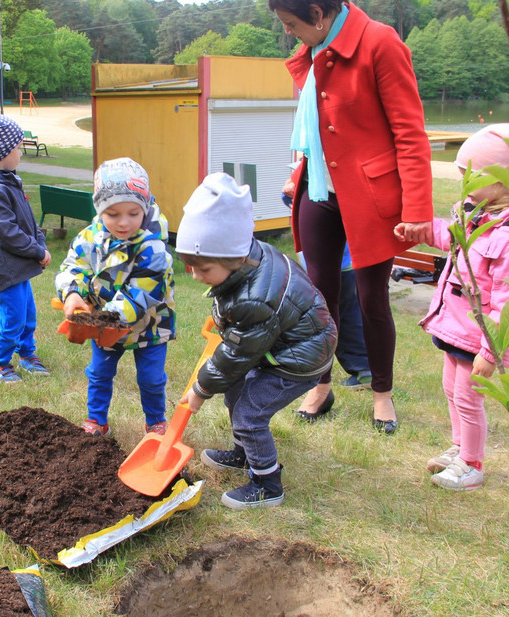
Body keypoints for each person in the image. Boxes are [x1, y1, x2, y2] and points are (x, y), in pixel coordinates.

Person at [271, 0, 434, 434]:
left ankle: (382, 394)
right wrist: (299, 173)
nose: (289, 33)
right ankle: (321, 386)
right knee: (318, 303)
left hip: (368, 195)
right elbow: (319, 128)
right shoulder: (314, 50)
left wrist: (417, 208)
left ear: (317, 13)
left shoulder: (380, 42)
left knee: (370, 300)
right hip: (317, 190)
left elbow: (410, 132)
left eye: (291, 23)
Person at [396, 124, 509, 491]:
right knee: (452, 390)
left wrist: (492, 351)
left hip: (478, 339)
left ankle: (472, 464)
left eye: (471, 174)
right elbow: (453, 239)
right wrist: (423, 231)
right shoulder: (475, 215)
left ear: (502, 181)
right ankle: (459, 447)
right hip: (457, 326)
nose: (463, 180)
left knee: (468, 397)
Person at [178, 173, 337, 509]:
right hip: (279, 343)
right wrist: (226, 322)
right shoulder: (252, 256)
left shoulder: (254, 300)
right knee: (236, 391)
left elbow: (237, 354)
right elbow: (242, 334)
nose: (195, 275)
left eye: (203, 268)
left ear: (234, 259)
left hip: (299, 360)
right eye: (190, 266)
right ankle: (244, 453)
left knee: (250, 413)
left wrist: (201, 388)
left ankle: (267, 483)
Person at [56, 157, 175, 437]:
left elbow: (139, 295)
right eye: (113, 214)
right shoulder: (90, 237)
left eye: (133, 213)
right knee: (99, 373)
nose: (124, 222)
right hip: (104, 325)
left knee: (150, 378)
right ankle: (97, 421)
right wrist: (72, 294)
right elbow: (74, 267)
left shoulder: (153, 247)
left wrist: (99, 320)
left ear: (144, 208)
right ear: (99, 210)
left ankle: (156, 422)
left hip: (149, 324)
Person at [0, 113, 52, 384]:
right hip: (5, 269)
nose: (20, 153)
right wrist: (37, 251)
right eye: (17, 148)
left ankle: (27, 354)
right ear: (3, 152)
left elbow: (26, 221)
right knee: (13, 317)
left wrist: (40, 241)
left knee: (28, 314)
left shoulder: (8, 181)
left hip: (19, 267)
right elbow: (9, 235)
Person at [283, 178, 371, 394]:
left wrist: (291, 193)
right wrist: (288, 193)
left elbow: (293, 202)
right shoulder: (315, 188)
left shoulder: (333, 192)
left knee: (335, 319)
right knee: (342, 316)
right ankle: (362, 369)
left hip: (338, 266)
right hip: (335, 266)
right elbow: (290, 201)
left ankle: (359, 369)